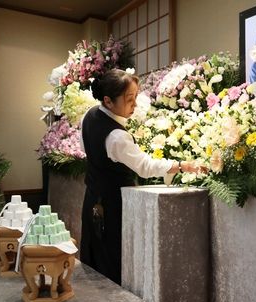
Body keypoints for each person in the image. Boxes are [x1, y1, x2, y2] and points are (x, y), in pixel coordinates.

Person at [80, 69, 206, 285]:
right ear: (108, 101)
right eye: (130, 99)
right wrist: (182, 165)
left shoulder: (90, 115)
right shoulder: (116, 136)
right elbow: (145, 167)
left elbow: (87, 148)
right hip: (112, 207)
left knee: (96, 258)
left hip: (92, 199)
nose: (135, 105)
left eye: (136, 97)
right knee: (112, 261)